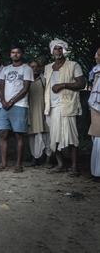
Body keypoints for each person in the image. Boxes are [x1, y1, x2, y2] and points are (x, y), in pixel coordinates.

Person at [45, 40, 85, 176]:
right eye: (55, 49)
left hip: (67, 106)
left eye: (60, 49)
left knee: (72, 136)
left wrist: (63, 85)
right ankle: (60, 164)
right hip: (51, 107)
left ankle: (74, 166)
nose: (58, 51)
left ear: (64, 50)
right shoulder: (48, 67)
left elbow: (81, 84)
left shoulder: (73, 65)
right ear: (52, 51)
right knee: (53, 136)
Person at [0, 44, 33, 173]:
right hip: (5, 106)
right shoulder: (5, 69)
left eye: (18, 52)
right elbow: (1, 86)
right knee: (2, 133)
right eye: (13, 52)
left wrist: (11, 101)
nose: (15, 55)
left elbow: (25, 88)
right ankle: (4, 163)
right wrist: (3, 101)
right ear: (10, 54)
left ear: (22, 54)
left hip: (19, 105)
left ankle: (18, 164)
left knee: (18, 134)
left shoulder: (26, 69)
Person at [25, 61, 52, 168]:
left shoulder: (44, 80)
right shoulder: (26, 81)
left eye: (37, 67)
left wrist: (47, 110)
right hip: (31, 112)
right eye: (32, 67)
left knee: (47, 136)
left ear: (41, 68)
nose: (35, 69)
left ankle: (48, 160)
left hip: (44, 112)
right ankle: (34, 159)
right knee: (33, 137)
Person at [88, 47, 100, 180]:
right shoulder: (96, 72)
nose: (96, 57)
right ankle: (96, 172)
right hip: (96, 111)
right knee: (97, 139)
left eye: (99, 55)